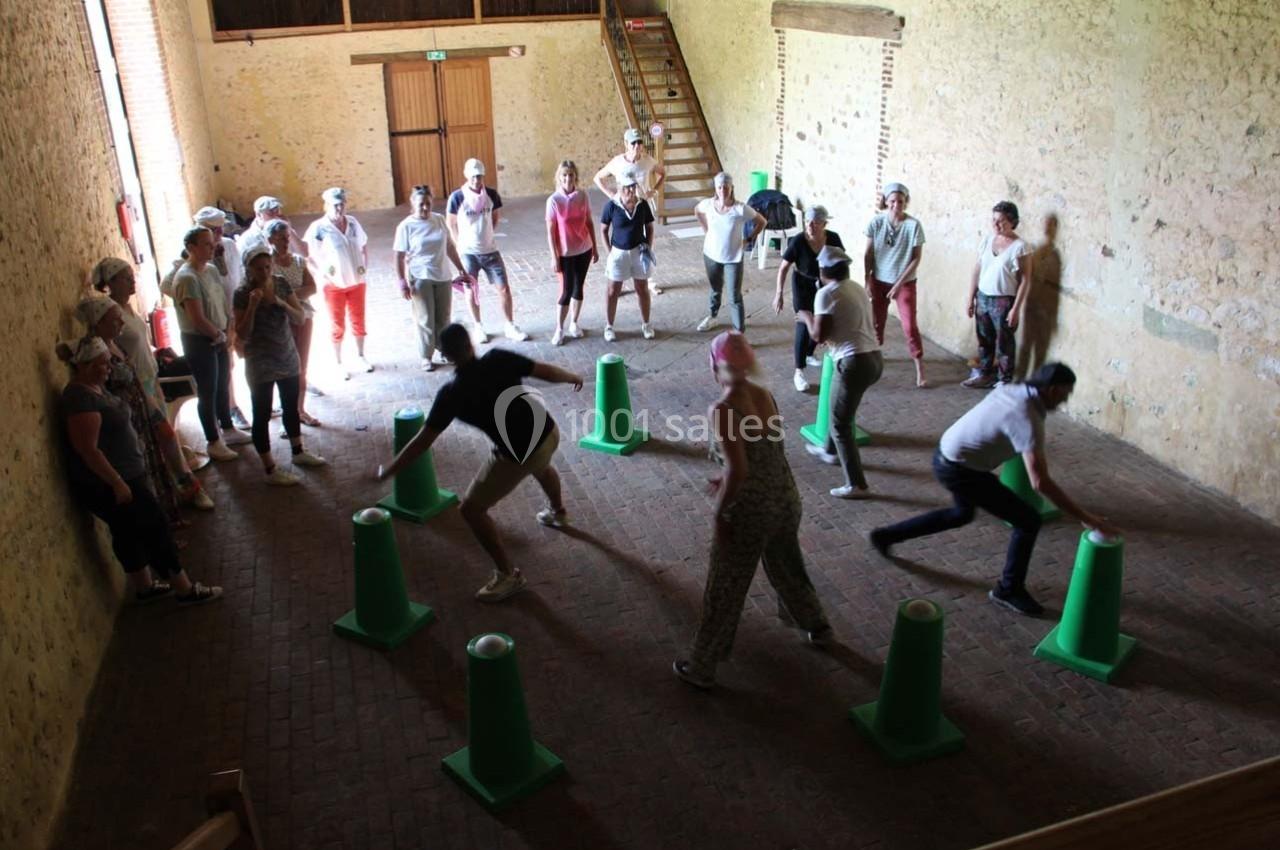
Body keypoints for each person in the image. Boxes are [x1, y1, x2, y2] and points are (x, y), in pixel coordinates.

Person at [869, 363, 1119, 616]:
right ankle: (1008, 590)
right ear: (1053, 390)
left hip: (949, 454)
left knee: (961, 514)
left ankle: (886, 536)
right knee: (1028, 520)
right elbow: (1040, 482)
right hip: (960, 469)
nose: (1066, 399)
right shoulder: (1027, 417)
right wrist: (1087, 519)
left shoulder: (1015, 389)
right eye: (1066, 393)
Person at [375, 323, 582, 602]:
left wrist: (390, 469)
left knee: (471, 510)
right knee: (541, 466)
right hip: (548, 432)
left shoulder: (451, 395)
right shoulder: (498, 358)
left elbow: (423, 442)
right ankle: (558, 512)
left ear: (444, 356)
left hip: (518, 454)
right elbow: (545, 371)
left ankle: (508, 575)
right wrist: (572, 376)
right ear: (471, 344)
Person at [672, 331, 833, 690]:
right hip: (785, 498)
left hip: (750, 509)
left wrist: (719, 512)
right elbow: (762, 453)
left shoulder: (723, 409)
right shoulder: (765, 395)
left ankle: (702, 664)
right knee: (787, 564)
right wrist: (727, 475)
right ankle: (818, 626)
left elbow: (739, 470)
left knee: (725, 585)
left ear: (716, 366)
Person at [57, 335, 222, 605]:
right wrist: (117, 482)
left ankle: (144, 588)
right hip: (115, 480)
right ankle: (184, 589)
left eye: (109, 362)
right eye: (102, 363)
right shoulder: (79, 398)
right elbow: (88, 449)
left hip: (125, 474)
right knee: (156, 528)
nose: (108, 368)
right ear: (84, 365)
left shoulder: (95, 388)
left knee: (126, 531)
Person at [77, 292, 213, 516]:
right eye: (114, 319)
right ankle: (167, 509)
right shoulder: (97, 350)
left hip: (142, 400)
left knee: (167, 440)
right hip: (129, 413)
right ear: (98, 323)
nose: (121, 322)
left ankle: (187, 490)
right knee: (148, 460)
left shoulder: (113, 344)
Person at [233, 245, 328, 486]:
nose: (264, 273)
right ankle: (270, 468)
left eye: (267, 267)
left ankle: (298, 452)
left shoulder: (280, 283)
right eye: (258, 269)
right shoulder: (242, 293)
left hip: (286, 354)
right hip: (260, 361)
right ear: (248, 269)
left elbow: (299, 316)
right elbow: (242, 335)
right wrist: (253, 307)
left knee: (290, 406)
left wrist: (280, 303)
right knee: (262, 413)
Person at [795, 246, 883, 499]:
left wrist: (805, 317)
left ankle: (857, 484)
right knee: (841, 412)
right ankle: (829, 450)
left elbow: (819, 336)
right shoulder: (855, 287)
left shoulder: (826, 294)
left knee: (840, 423)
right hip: (873, 359)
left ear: (823, 271)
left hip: (853, 363)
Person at [172, 225, 251, 461]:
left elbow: (223, 301)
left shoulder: (212, 270)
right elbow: (197, 318)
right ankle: (213, 441)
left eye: (212, 242)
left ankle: (227, 429)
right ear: (191, 248)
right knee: (207, 390)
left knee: (223, 382)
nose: (213, 247)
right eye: (206, 243)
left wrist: (228, 327)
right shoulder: (187, 278)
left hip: (220, 335)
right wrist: (219, 335)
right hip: (200, 341)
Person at [446, 158, 528, 344]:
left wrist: (486, 234)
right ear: (467, 176)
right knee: (471, 290)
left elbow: (495, 217)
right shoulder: (457, 197)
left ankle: (509, 324)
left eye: (480, 176)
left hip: (490, 250)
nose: (477, 180)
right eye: (473, 176)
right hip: (468, 253)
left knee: (504, 288)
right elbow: (451, 223)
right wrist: (459, 243)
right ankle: (478, 326)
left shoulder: (491, 195)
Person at [394, 184, 471, 369]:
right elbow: (399, 255)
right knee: (425, 318)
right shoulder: (406, 226)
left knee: (443, 317)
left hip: (442, 274)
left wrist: (461, 269)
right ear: (413, 204)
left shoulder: (438, 220)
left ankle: (444, 350)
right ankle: (426, 356)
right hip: (420, 276)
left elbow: (449, 247)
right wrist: (402, 281)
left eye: (428, 203)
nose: (425, 208)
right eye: (421, 204)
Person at [303, 187, 372, 379]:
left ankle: (360, 355)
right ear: (326, 206)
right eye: (335, 205)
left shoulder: (353, 223)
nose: (339, 208)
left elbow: (363, 244)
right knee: (337, 323)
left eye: (342, 204)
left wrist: (364, 265)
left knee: (358, 318)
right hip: (333, 284)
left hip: (357, 280)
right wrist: (321, 275)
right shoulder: (318, 228)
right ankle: (338, 361)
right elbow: (308, 254)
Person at [864, 182, 928, 388]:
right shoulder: (876, 223)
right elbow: (868, 254)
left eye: (900, 201)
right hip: (879, 279)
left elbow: (916, 258)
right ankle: (873, 360)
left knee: (910, 325)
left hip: (905, 282)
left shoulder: (913, 225)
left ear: (905, 202)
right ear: (886, 201)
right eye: (892, 201)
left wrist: (899, 284)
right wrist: (867, 279)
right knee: (876, 323)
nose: (895, 205)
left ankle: (920, 367)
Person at [773, 205, 843, 392]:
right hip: (802, 284)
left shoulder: (833, 239)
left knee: (822, 320)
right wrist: (779, 293)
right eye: (807, 222)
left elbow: (842, 263)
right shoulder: (798, 241)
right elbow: (783, 268)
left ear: (824, 224)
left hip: (825, 285)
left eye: (815, 222)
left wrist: (841, 288)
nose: (810, 226)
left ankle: (810, 352)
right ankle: (799, 371)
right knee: (804, 323)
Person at [963, 200, 1032, 388]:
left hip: (1003, 301)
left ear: (1012, 221)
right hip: (983, 297)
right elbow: (977, 268)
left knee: (1004, 343)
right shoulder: (987, 240)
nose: (996, 225)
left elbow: (1026, 279)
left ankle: (1004, 380)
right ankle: (985, 373)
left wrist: (1015, 309)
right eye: (993, 220)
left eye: (1001, 221)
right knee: (984, 339)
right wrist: (971, 297)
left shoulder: (1020, 247)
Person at [593, 128, 667, 293]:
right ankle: (619, 280)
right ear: (626, 144)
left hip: (642, 207)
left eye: (639, 142)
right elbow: (598, 178)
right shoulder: (618, 162)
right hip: (623, 207)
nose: (637, 146)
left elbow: (662, 173)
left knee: (645, 241)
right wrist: (611, 194)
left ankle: (646, 278)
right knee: (622, 242)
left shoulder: (647, 160)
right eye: (633, 142)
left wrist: (653, 190)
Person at [265, 219, 321, 425]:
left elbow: (312, 287)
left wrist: (287, 296)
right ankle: (287, 412)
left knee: (301, 365)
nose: (285, 242)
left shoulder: (298, 261)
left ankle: (300, 409)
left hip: (303, 317)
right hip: (280, 320)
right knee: (283, 365)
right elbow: (269, 293)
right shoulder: (267, 265)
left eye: (287, 237)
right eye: (281, 238)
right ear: (270, 239)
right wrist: (296, 295)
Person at [695, 173, 766, 333]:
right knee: (715, 288)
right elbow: (697, 211)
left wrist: (748, 239)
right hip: (711, 254)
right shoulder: (708, 204)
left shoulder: (740, 209)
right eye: (719, 187)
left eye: (726, 187)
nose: (722, 190)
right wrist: (706, 229)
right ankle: (713, 316)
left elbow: (761, 222)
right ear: (715, 188)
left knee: (734, 296)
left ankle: (739, 331)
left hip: (732, 258)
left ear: (731, 188)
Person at [545, 161, 599, 346]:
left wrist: (595, 247)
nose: (568, 179)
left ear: (576, 176)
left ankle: (574, 323)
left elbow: (589, 222)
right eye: (564, 175)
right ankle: (559, 328)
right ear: (559, 178)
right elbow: (551, 231)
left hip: (583, 248)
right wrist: (554, 256)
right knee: (566, 290)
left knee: (579, 287)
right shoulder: (554, 200)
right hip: (565, 252)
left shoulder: (583, 196)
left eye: (571, 175)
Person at [599, 175, 656, 342]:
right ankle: (609, 326)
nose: (630, 190)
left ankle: (646, 324)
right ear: (619, 188)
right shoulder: (611, 206)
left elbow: (649, 227)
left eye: (632, 186)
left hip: (638, 251)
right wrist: (610, 252)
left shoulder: (642, 205)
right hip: (618, 253)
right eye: (626, 187)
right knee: (612, 291)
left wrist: (648, 247)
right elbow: (603, 230)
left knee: (642, 289)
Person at [237, 195, 306, 256]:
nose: (275, 216)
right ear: (258, 215)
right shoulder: (248, 239)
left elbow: (304, 253)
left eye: (277, 211)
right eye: (270, 212)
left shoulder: (285, 230)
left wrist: (289, 229)